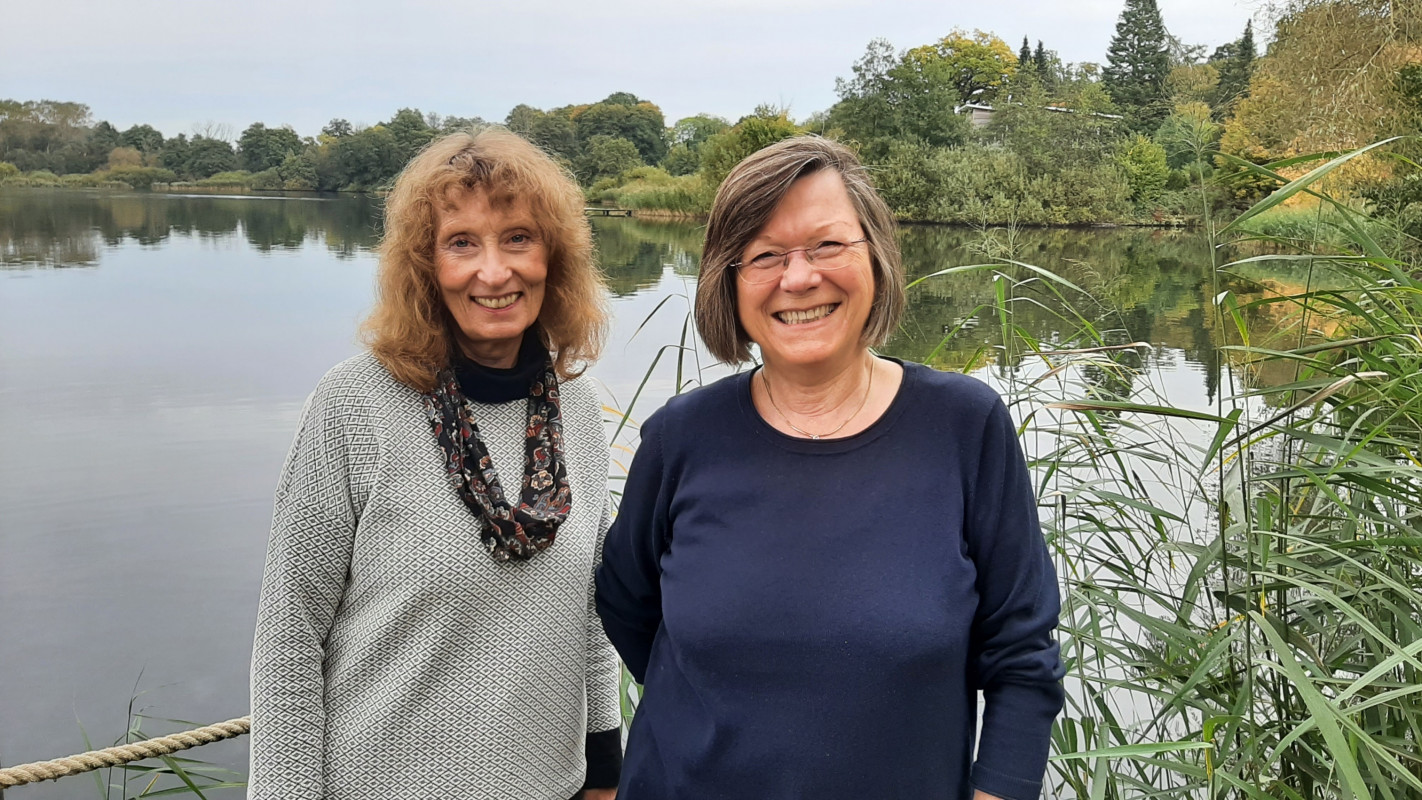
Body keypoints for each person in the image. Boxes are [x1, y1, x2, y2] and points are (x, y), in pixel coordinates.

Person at [595, 136, 1064, 800]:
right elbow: (626, 603)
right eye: (764, 256)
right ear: (729, 283)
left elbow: (1023, 659)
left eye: (827, 246)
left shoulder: (965, 427)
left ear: (876, 255)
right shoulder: (681, 437)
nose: (798, 278)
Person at [250, 129, 622, 800]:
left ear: (554, 256)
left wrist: (605, 772)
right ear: (425, 264)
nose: (493, 271)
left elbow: (589, 611)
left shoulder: (577, 407)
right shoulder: (354, 406)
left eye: (517, 238)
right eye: (461, 243)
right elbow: (289, 635)